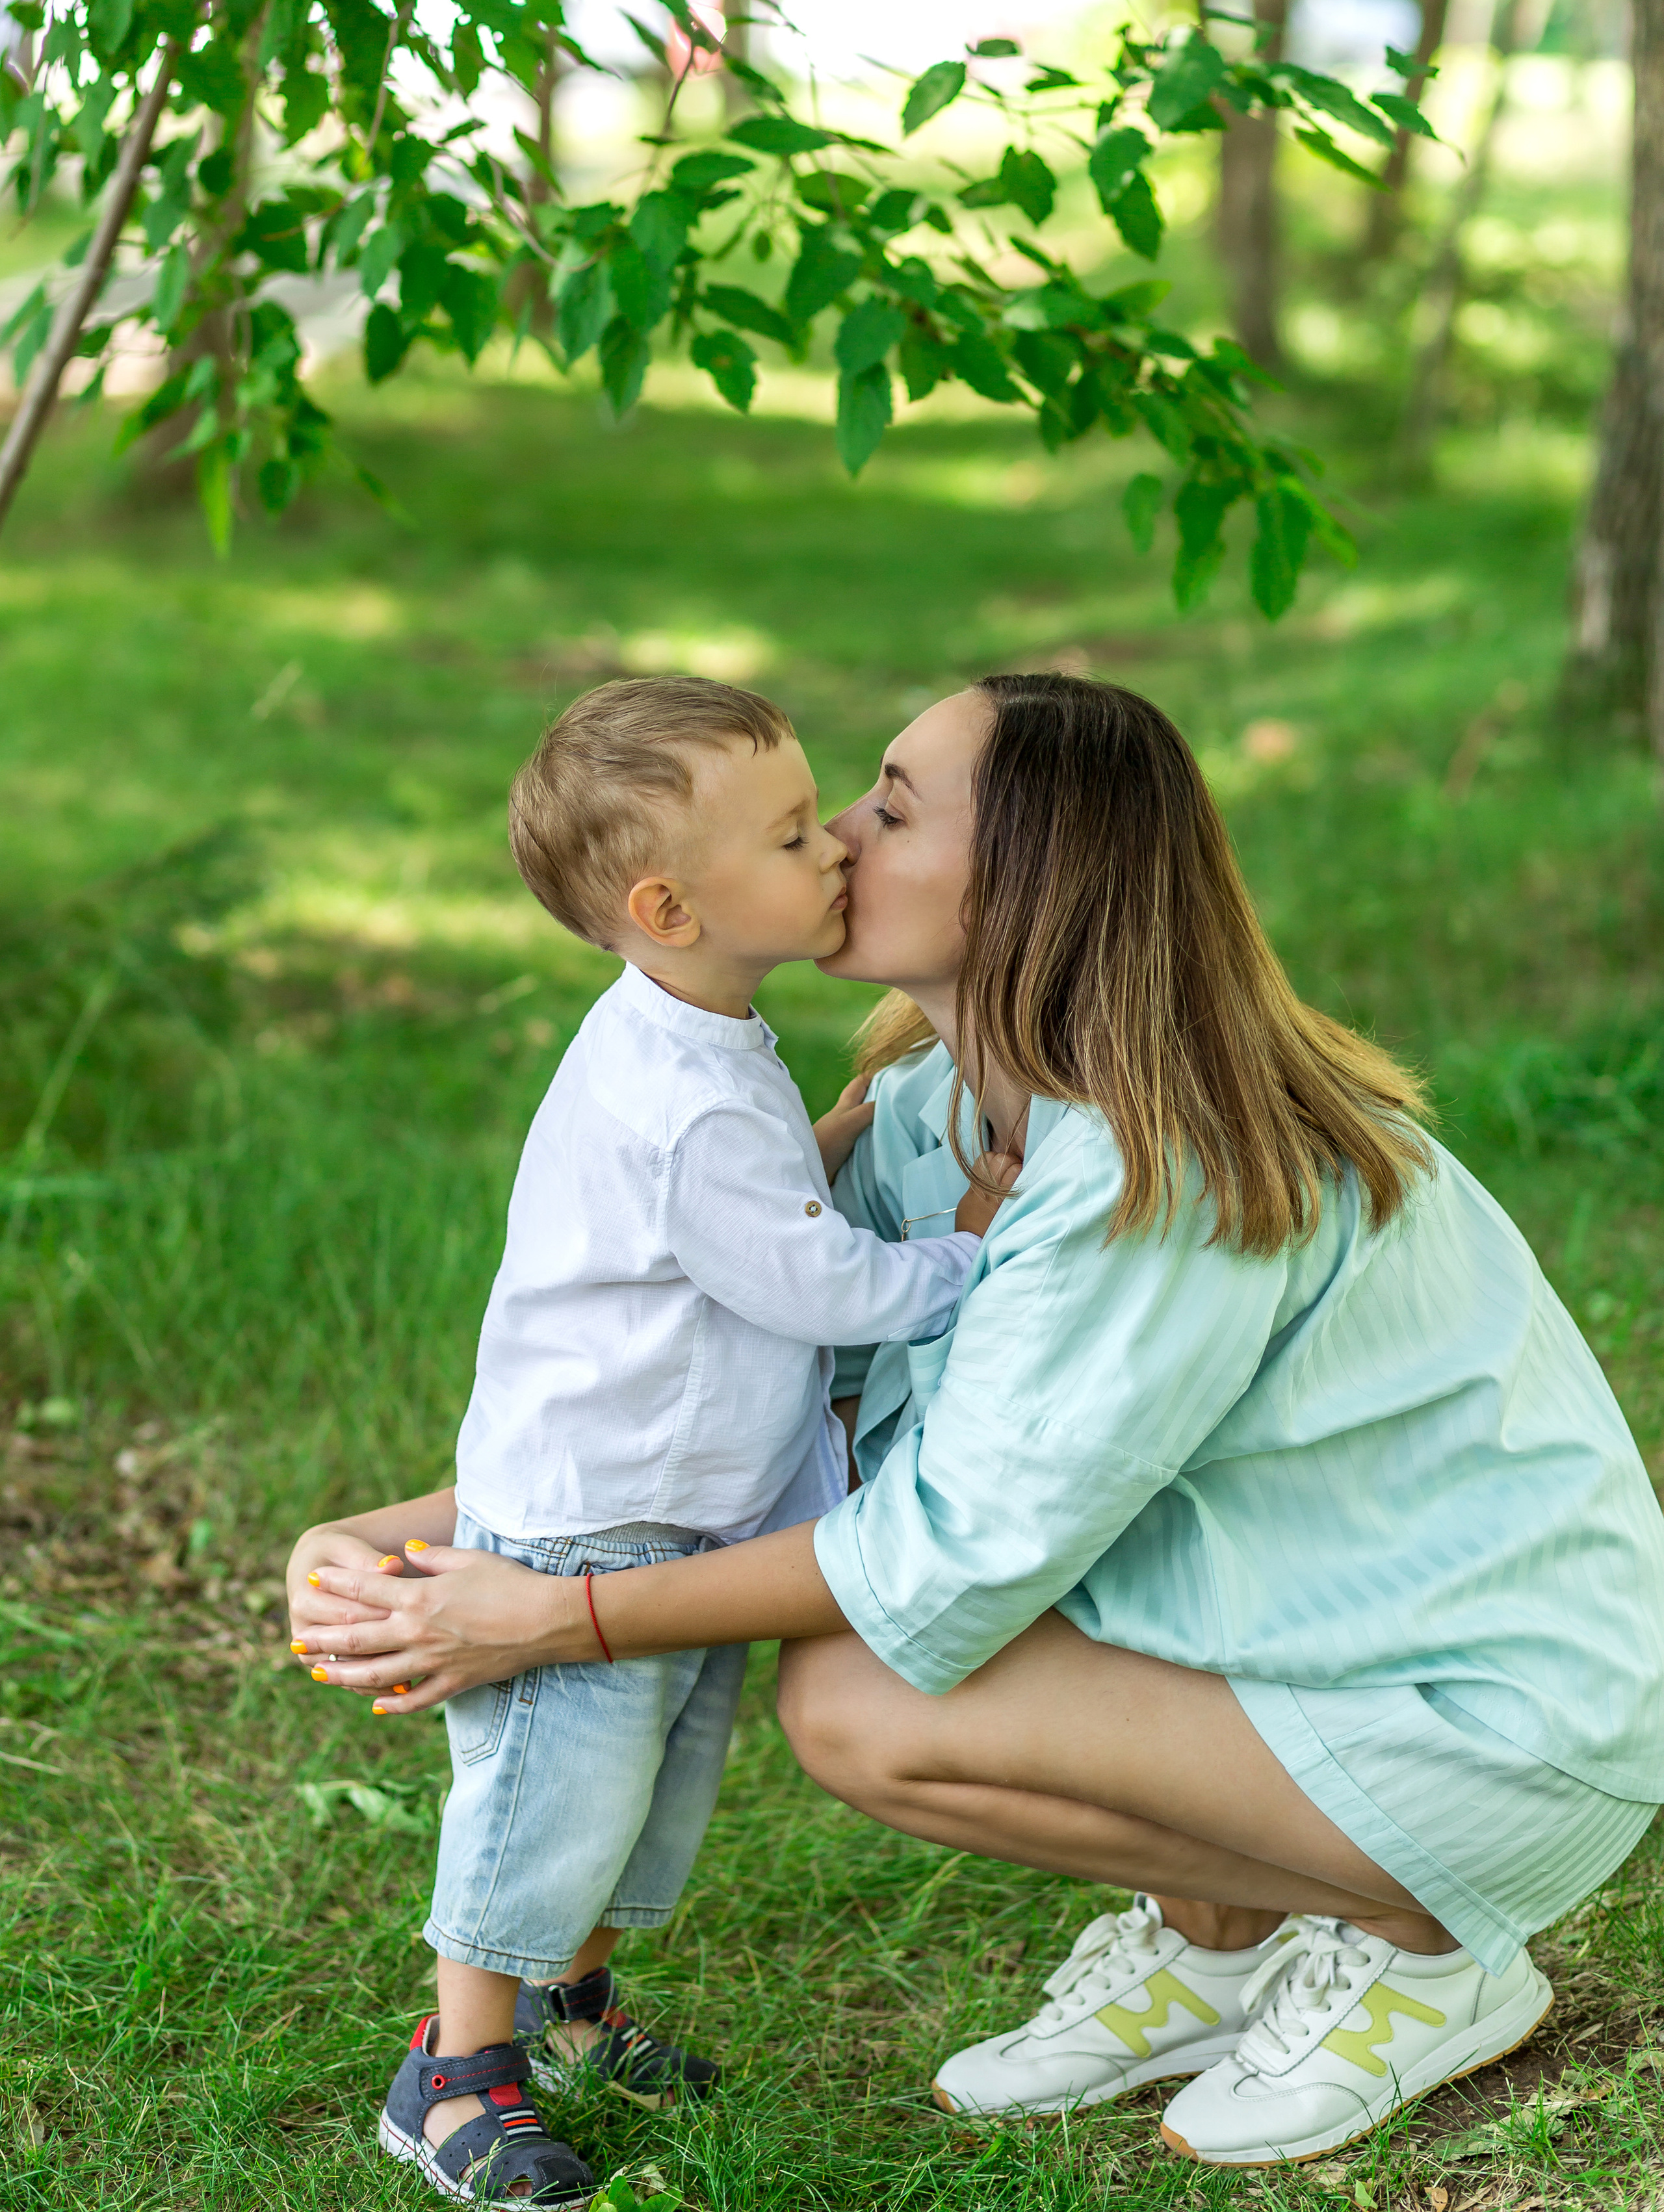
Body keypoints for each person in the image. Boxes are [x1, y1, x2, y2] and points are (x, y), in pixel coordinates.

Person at [292, 673, 1664, 2171]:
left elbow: (942, 1558)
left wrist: (563, 1617)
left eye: (888, 803)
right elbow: (704, 1389)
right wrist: (410, 1540)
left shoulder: (1165, 1168)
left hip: (1503, 1719)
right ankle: (1217, 1939)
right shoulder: (936, 1102)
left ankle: (1423, 1944)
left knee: (863, 1698)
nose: (839, 837)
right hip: (1304, 1646)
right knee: (866, 1680)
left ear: (1031, 878)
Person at [291, 677, 1005, 2206]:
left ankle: (570, 2015)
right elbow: (805, 1280)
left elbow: (729, 1216)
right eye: (796, 834)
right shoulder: (680, 1088)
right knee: (549, 1805)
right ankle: (452, 2068)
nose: (835, 852)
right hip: (595, 1529)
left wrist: (816, 1147)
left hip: (676, 1523)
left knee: (641, 1809)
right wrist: (963, 1250)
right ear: (669, 903)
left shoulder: (699, 1035)